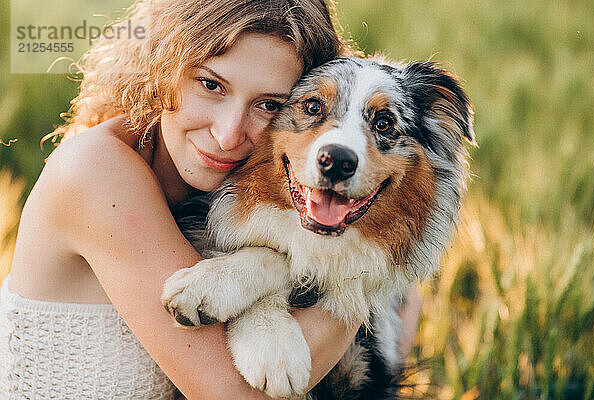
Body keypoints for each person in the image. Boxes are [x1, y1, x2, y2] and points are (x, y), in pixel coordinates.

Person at [1, 0, 422, 398]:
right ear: (165, 66)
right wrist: (366, 274)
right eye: (211, 84)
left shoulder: (235, 191)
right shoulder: (94, 170)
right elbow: (238, 395)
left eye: (269, 104)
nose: (227, 134)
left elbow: (407, 309)